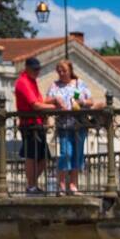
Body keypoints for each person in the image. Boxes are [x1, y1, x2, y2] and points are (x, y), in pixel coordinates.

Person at [46, 60, 93, 195]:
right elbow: (46, 100)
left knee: (77, 155)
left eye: (64, 71)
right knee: (66, 153)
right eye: (59, 71)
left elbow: (91, 101)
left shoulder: (79, 84)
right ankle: (61, 185)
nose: (61, 73)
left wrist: (81, 101)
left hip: (79, 124)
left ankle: (73, 185)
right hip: (64, 125)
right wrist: (55, 100)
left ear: (70, 70)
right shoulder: (55, 86)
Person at [14, 56, 56, 195]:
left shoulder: (32, 81)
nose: (37, 71)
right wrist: (54, 107)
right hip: (29, 124)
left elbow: (39, 101)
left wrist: (50, 105)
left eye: (38, 69)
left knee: (44, 157)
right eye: (35, 69)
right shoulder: (23, 82)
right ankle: (31, 186)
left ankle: (31, 184)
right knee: (31, 156)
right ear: (27, 68)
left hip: (36, 123)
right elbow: (35, 104)